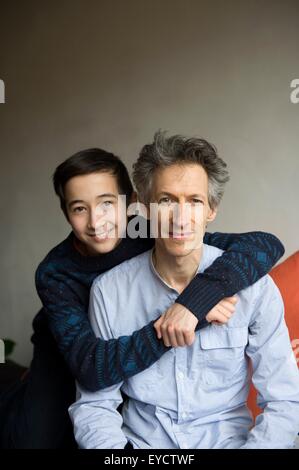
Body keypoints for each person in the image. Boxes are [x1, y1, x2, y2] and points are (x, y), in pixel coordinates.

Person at [0, 147, 284, 448]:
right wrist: (190, 318)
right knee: (33, 438)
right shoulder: (55, 272)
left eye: (107, 204)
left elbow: (262, 245)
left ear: (133, 204)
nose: (97, 222)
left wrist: (196, 299)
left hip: (126, 356)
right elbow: (91, 371)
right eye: (79, 208)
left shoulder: (158, 231)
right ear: (66, 213)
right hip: (69, 353)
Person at [69, 132, 299, 449]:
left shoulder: (254, 287)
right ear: (146, 208)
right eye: (166, 200)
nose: (181, 217)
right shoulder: (109, 292)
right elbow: (95, 406)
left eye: (194, 201)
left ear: (212, 209)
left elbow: (285, 400)